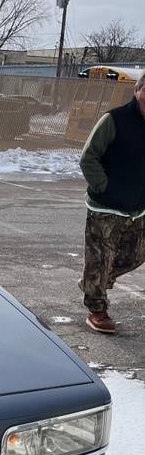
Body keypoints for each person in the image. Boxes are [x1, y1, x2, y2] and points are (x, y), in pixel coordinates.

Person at [78, 72, 145, 333]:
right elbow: (88, 157)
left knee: (135, 256)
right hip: (105, 207)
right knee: (100, 258)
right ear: (138, 91)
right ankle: (97, 309)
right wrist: (104, 187)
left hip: (138, 207)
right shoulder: (114, 119)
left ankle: (93, 280)